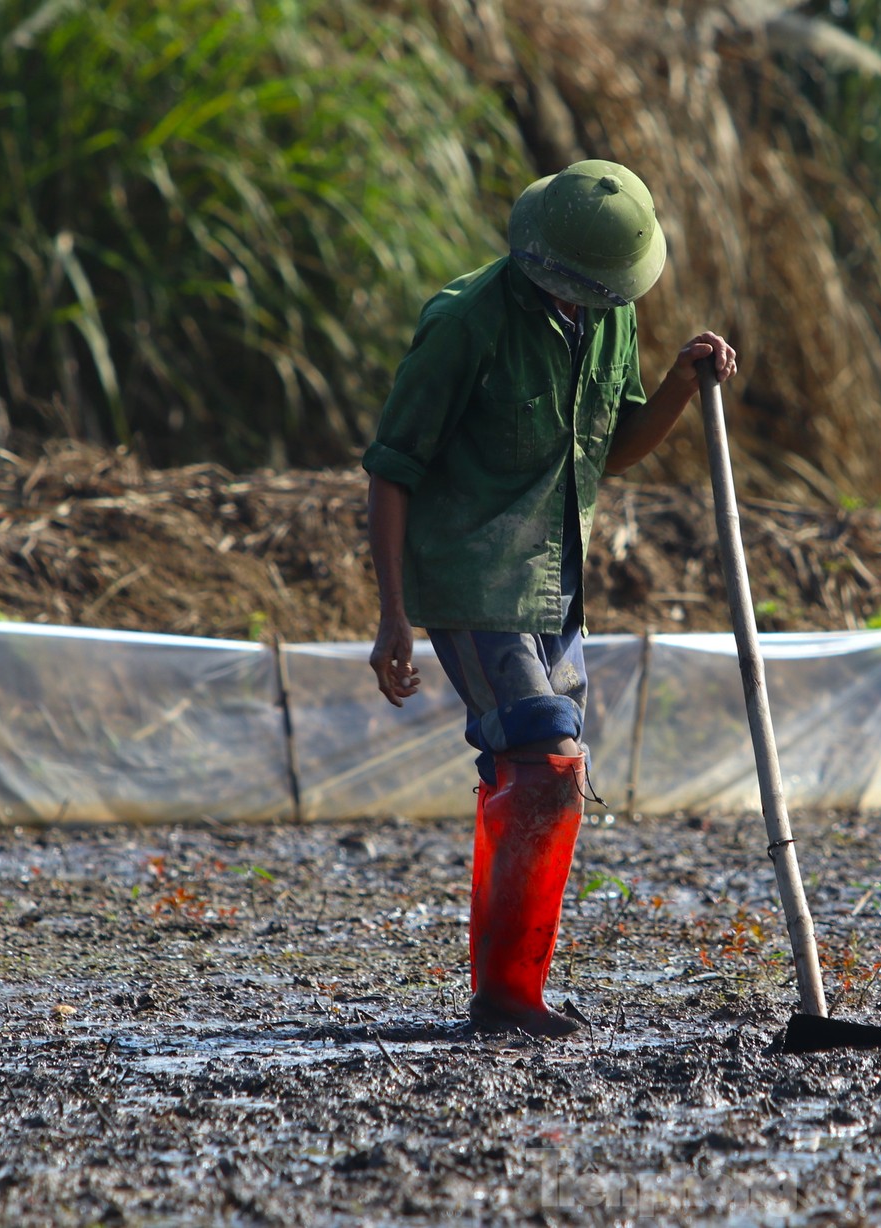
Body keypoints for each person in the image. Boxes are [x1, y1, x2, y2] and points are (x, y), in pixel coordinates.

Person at [362, 160, 737, 1036]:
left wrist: (682, 382)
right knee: (548, 759)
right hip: (471, 578)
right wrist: (393, 617)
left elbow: (613, 447)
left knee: (530, 776)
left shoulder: (610, 317)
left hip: (553, 584)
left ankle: (506, 984)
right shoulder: (466, 326)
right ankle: (506, 999)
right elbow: (391, 469)